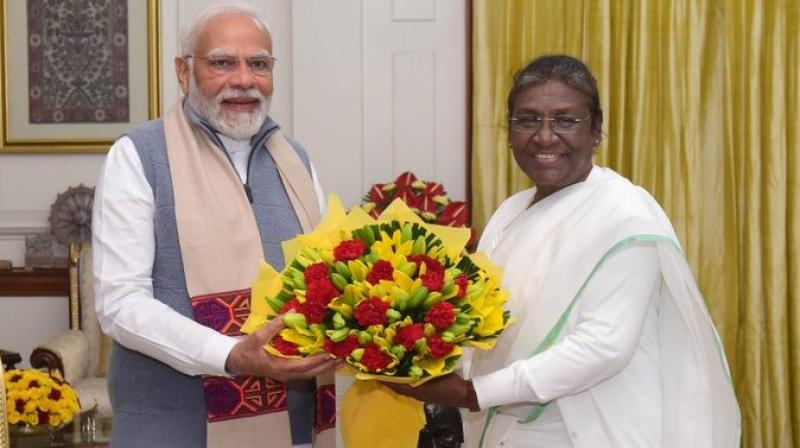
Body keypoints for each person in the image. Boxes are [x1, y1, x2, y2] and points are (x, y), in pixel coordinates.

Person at [387, 55, 741, 447]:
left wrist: (474, 394)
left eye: (565, 120)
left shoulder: (625, 215)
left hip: (595, 429)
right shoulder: (510, 212)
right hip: (506, 428)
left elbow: (603, 347)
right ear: (509, 132)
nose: (544, 136)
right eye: (528, 120)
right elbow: (484, 323)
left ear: (597, 130)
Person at [91, 2, 338, 447]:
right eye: (222, 62)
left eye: (258, 64)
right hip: (172, 426)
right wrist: (231, 355)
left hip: (294, 425)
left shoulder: (296, 160)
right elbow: (120, 302)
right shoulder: (138, 157)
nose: (244, 79)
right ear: (183, 73)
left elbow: (327, 279)